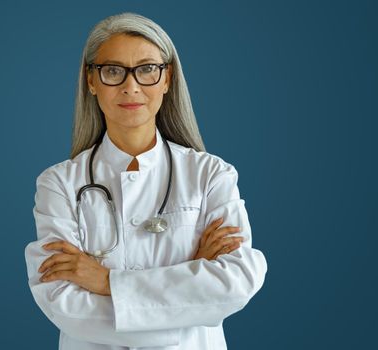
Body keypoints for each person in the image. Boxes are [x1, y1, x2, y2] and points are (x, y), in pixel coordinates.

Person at [24, 12, 267, 350]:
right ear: (91, 81)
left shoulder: (211, 174)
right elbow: (63, 303)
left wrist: (107, 282)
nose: (131, 86)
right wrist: (190, 292)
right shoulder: (59, 184)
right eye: (112, 71)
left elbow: (238, 281)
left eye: (147, 69)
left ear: (168, 79)